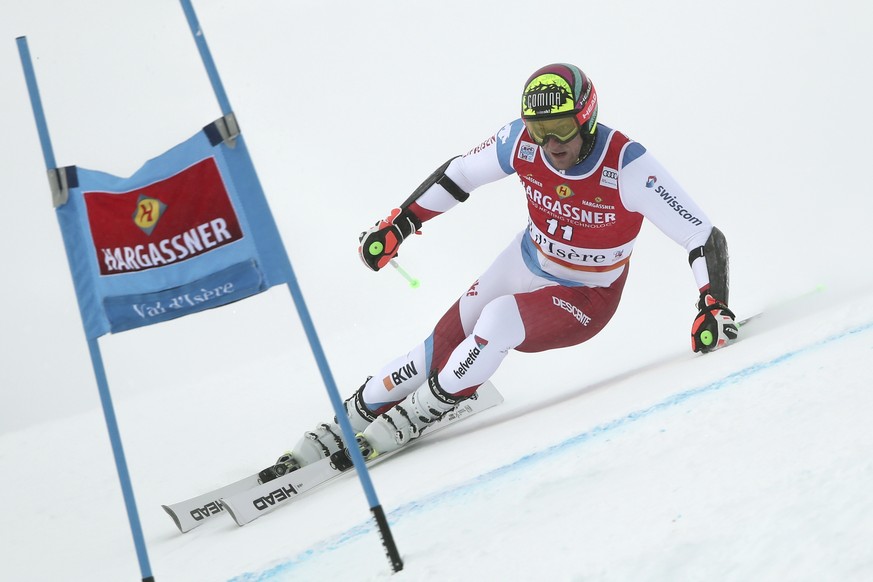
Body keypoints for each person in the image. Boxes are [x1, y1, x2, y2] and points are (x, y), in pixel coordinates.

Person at [272, 62, 738, 474]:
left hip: (587, 294)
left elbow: (702, 234)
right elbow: (460, 175)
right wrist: (400, 224)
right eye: (539, 129)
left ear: (587, 119)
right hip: (526, 258)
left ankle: (421, 410)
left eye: (560, 127)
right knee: (434, 350)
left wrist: (712, 303)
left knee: (496, 320)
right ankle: (342, 424)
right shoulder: (521, 141)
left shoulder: (627, 165)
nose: (550, 143)